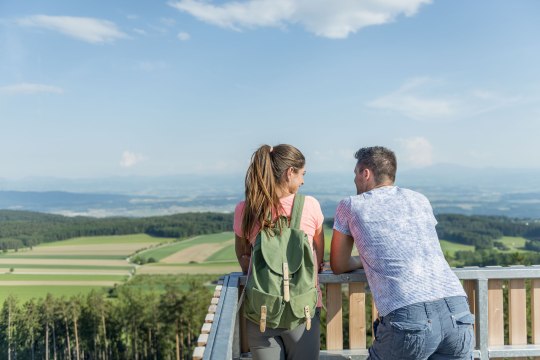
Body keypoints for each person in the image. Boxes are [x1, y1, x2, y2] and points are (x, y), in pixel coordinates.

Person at [330, 146, 474, 360]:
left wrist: (363, 261)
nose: (355, 180)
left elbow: (339, 264)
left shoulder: (351, 205)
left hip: (408, 313)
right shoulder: (419, 199)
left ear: (366, 173)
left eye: (355, 173)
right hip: (457, 309)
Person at [234, 144, 325, 360]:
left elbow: (243, 256)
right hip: (302, 312)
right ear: (289, 172)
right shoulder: (310, 205)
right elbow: (318, 256)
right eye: (302, 174)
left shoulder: (246, 209)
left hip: (262, 311)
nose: (303, 181)